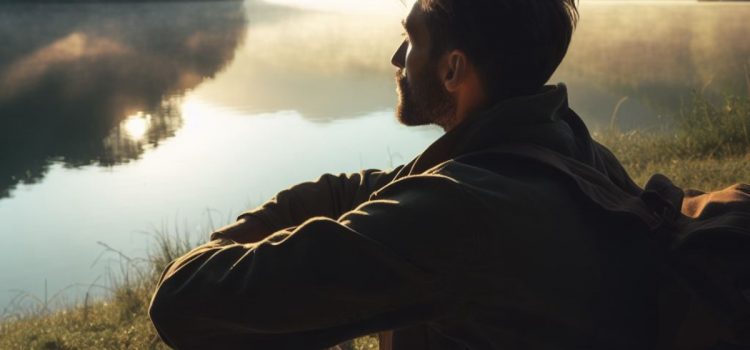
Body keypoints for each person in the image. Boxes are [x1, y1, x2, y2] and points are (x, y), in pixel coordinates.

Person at [149, 1, 664, 349]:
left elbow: (182, 302)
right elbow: (359, 190)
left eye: (411, 40)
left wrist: (228, 245)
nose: (397, 58)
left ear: (452, 70)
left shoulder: (463, 212)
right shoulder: (566, 146)